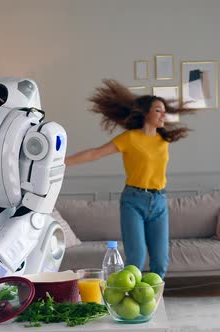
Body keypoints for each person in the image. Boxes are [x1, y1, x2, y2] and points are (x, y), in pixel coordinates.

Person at [65, 79, 193, 278]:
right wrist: (61, 162)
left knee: (161, 261)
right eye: (158, 110)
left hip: (159, 202)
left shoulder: (163, 140)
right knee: (137, 258)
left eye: (163, 110)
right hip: (133, 201)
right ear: (146, 113)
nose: (163, 114)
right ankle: (129, 303)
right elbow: (95, 153)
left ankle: (151, 302)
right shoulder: (130, 139)